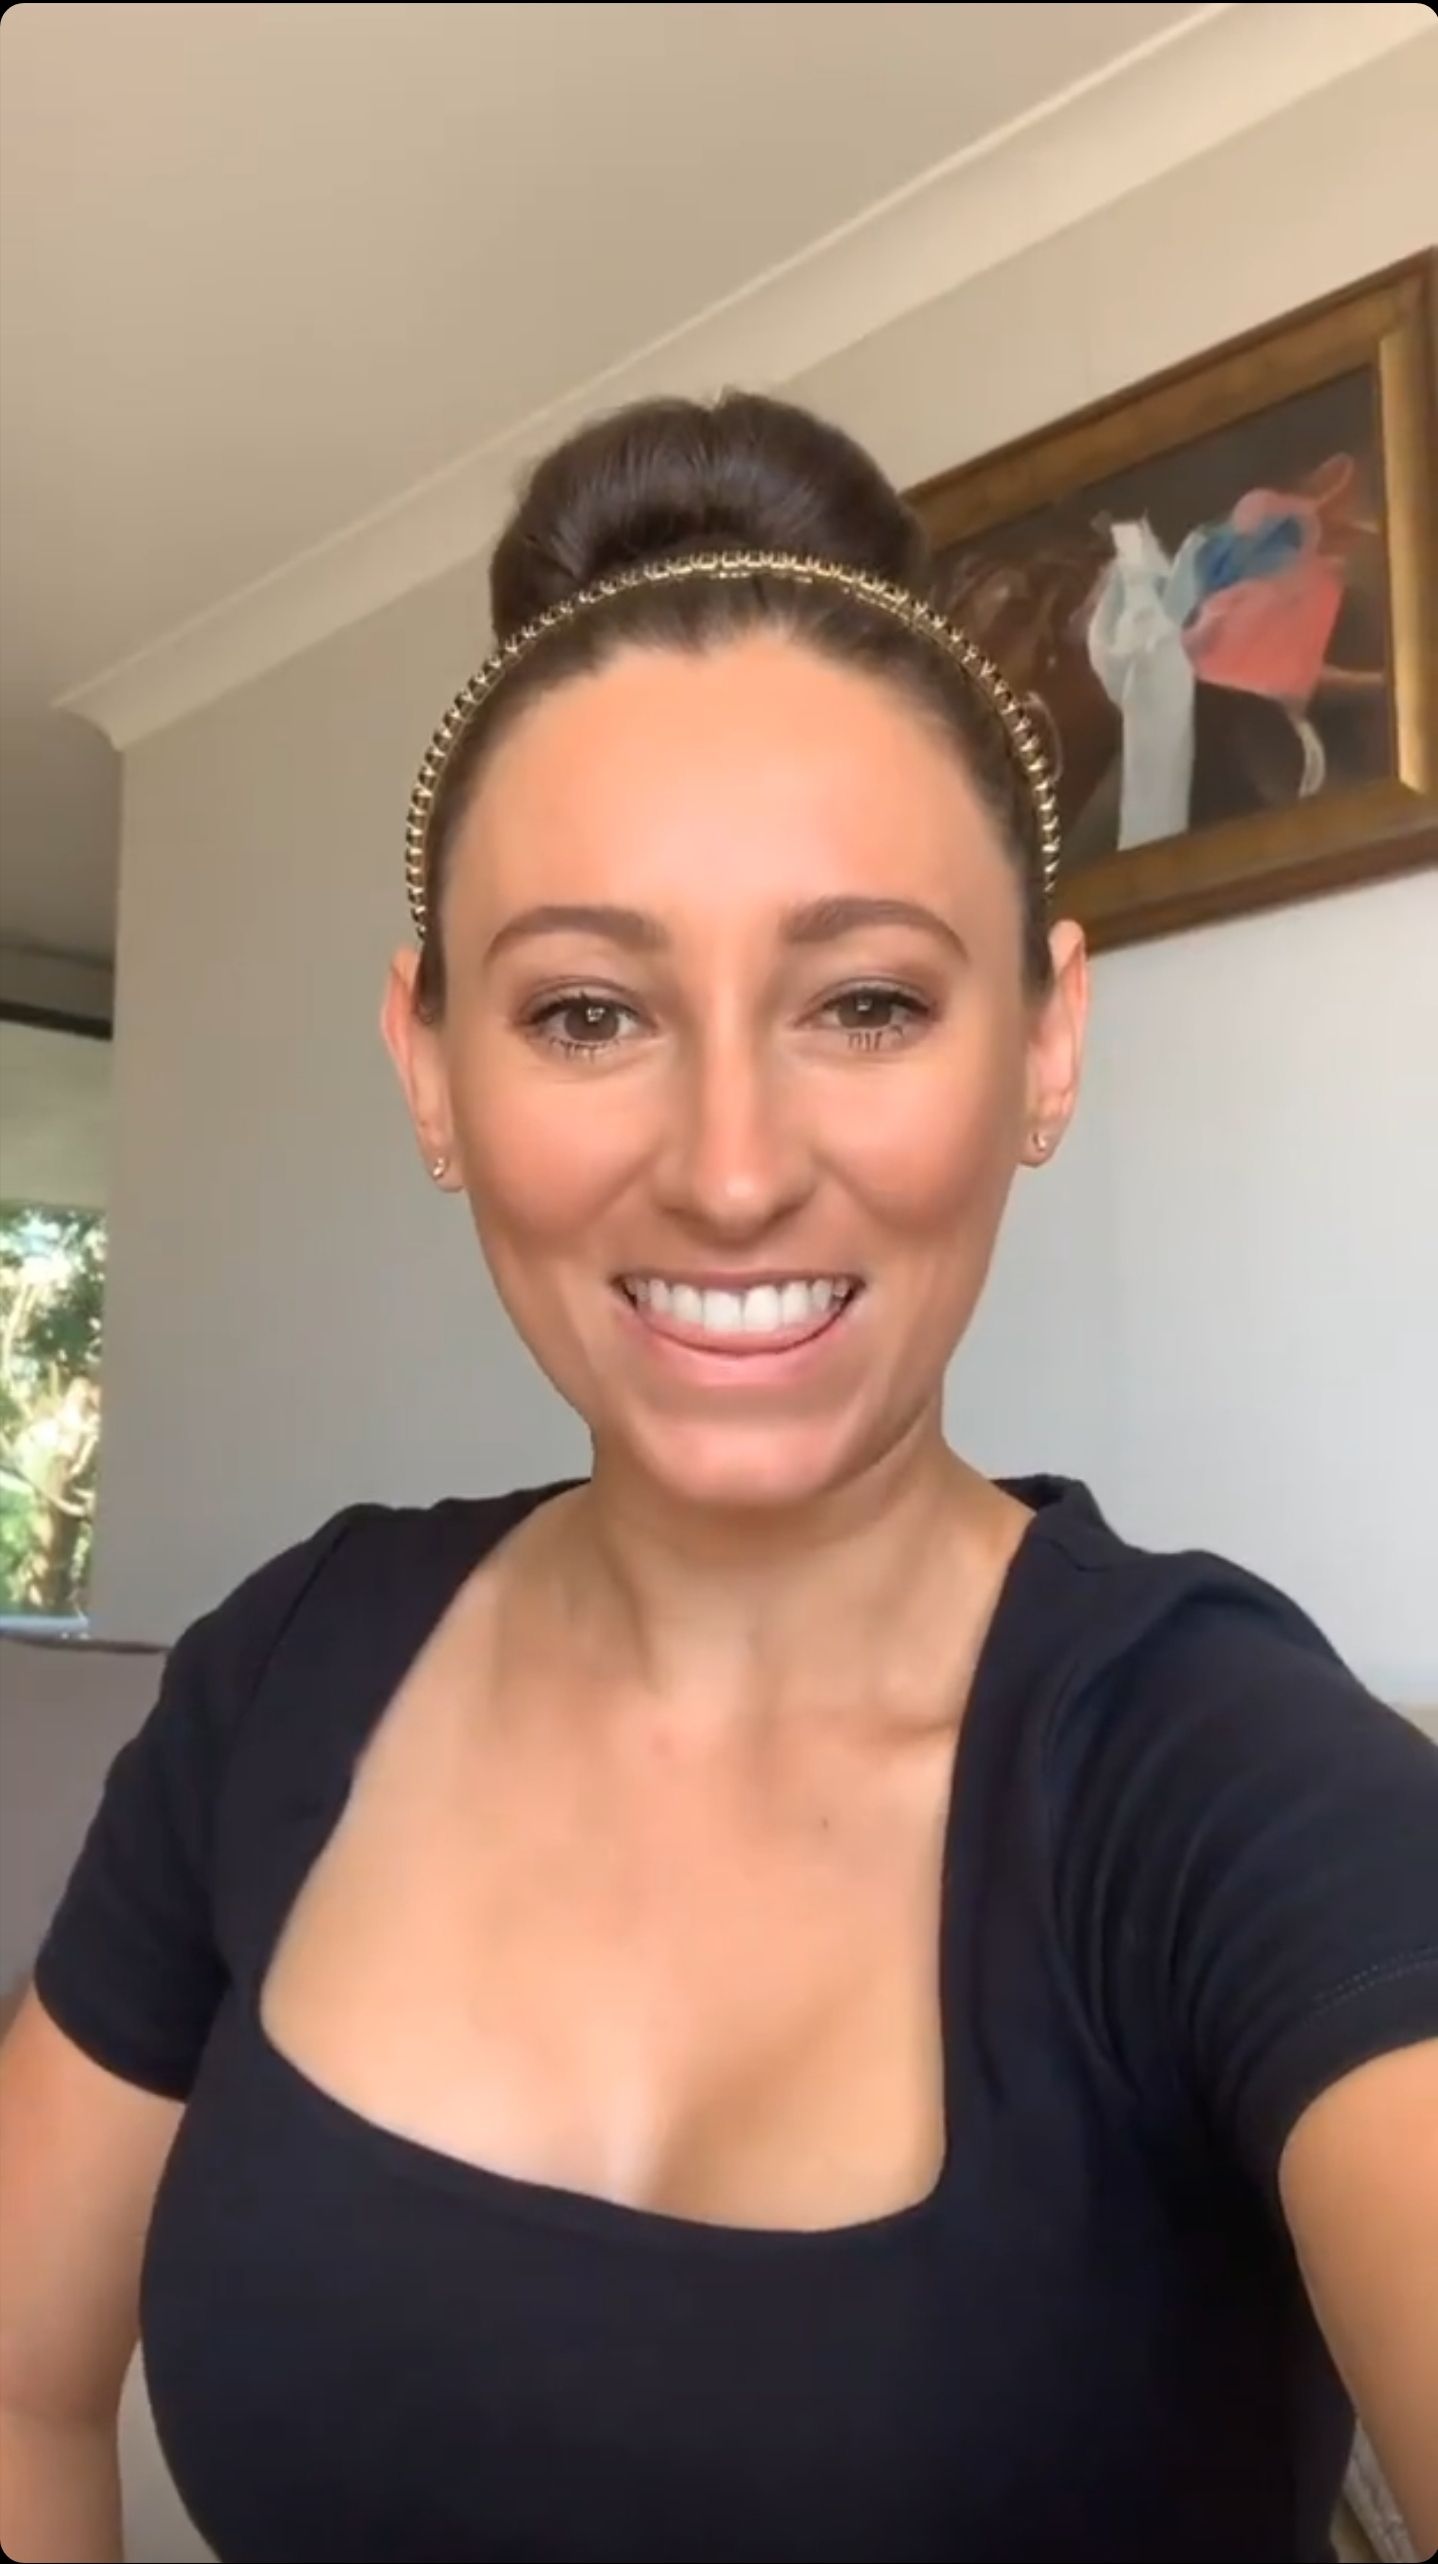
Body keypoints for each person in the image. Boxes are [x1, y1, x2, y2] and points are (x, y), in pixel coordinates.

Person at [1, 392, 1434, 2564]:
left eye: (863, 1003)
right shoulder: (284, 1669)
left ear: (1042, 1041)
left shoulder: (1224, 1777)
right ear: (430, 1065)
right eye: (588, 1013)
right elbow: (21, 2374)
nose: (734, 1170)